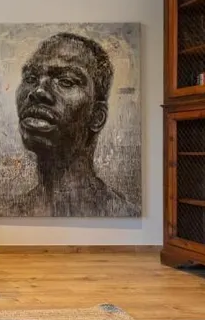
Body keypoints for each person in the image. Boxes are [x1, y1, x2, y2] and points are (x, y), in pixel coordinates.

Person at [13, 32, 138, 217]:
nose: (38, 91)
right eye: (31, 78)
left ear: (97, 117)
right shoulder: (11, 211)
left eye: (66, 81)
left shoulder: (124, 214)